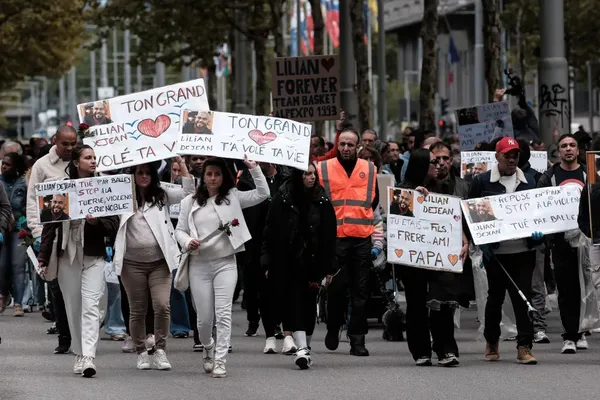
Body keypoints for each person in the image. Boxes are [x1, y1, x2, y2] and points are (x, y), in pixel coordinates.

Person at [176, 156, 269, 378]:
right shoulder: (189, 202)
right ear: (203, 176)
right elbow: (179, 230)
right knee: (204, 318)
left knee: (224, 313)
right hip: (199, 265)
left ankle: (220, 359)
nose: (213, 178)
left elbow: (263, 193)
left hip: (225, 263)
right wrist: (188, 241)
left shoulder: (232, 197)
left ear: (223, 176)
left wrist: (254, 168)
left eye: (217, 174)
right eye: (209, 174)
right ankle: (208, 345)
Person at [37, 145, 119, 377]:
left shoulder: (104, 186)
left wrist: (97, 223)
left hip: (94, 255)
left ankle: (89, 356)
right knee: (73, 307)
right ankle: (79, 352)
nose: (93, 161)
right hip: (67, 256)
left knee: (92, 305)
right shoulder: (59, 186)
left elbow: (113, 223)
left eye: (95, 158)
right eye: (87, 157)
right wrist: (43, 256)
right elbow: (49, 225)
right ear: (76, 162)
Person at [114, 158, 194, 370]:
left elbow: (188, 193)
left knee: (161, 305)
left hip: (160, 263)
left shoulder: (162, 194)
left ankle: (160, 350)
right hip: (132, 264)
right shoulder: (121, 195)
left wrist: (180, 163)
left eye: (148, 173)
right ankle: (141, 351)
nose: (144, 176)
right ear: (133, 175)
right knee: (137, 309)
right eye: (140, 172)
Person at [468, 137, 541, 365]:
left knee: (523, 299)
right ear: (497, 157)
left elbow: (540, 212)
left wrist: (540, 234)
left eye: (515, 155)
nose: (511, 159)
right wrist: (482, 242)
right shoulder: (481, 182)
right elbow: (471, 216)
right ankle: (492, 342)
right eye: (507, 155)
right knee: (495, 299)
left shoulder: (531, 180)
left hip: (523, 251)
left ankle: (524, 346)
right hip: (496, 254)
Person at [261, 163, 337, 369]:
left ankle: (306, 346)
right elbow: (270, 231)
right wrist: (267, 260)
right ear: (298, 176)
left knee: (309, 304)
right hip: (288, 260)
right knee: (294, 301)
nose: (311, 178)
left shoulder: (322, 200)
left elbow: (330, 237)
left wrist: (329, 269)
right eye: (306, 174)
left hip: (314, 262)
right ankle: (301, 348)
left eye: (313, 174)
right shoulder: (282, 198)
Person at [398, 148, 468, 366]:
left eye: (439, 161)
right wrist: (413, 199)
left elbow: (452, 217)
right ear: (420, 166)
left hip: (440, 256)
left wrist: (464, 239)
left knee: (443, 301)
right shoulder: (403, 189)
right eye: (432, 162)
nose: (438, 164)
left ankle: (445, 349)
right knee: (417, 303)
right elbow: (398, 219)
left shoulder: (442, 187)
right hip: (414, 258)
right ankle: (421, 351)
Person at [317, 128, 379, 357]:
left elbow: (374, 202)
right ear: (337, 144)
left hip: (361, 238)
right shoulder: (323, 168)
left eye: (350, 145)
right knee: (335, 291)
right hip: (335, 240)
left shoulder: (370, 169)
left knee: (361, 293)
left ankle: (357, 340)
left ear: (357, 147)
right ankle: (333, 328)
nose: (345, 148)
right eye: (342, 144)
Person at [27, 125, 77, 355]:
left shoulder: (79, 162)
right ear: (55, 140)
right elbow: (32, 201)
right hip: (53, 237)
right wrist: (37, 234)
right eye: (65, 144)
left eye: (73, 144)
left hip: (77, 235)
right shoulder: (42, 165)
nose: (69, 148)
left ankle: (79, 335)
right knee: (56, 288)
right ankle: (64, 335)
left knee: (77, 288)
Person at [537, 133, 588, 353]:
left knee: (587, 286)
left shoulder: (589, 174)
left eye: (572, 145)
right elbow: (539, 204)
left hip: (587, 240)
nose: (568, 149)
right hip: (560, 241)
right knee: (566, 288)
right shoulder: (549, 177)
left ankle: (583, 330)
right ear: (558, 151)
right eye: (564, 146)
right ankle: (569, 336)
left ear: (578, 150)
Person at [236, 161, 291, 352]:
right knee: (252, 283)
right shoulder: (244, 180)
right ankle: (253, 318)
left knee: (274, 285)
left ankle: (275, 323)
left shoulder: (285, 179)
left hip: (276, 240)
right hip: (253, 238)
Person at [0, 152, 28, 316]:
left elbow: (28, 204)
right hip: (2, 229)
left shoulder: (23, 183)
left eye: (8, 164)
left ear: (16, 167)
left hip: (19, 229)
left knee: (18, 266)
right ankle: (3, 295)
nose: (4, 167)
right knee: (2, 266)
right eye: (3, 163)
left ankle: (19, 302)